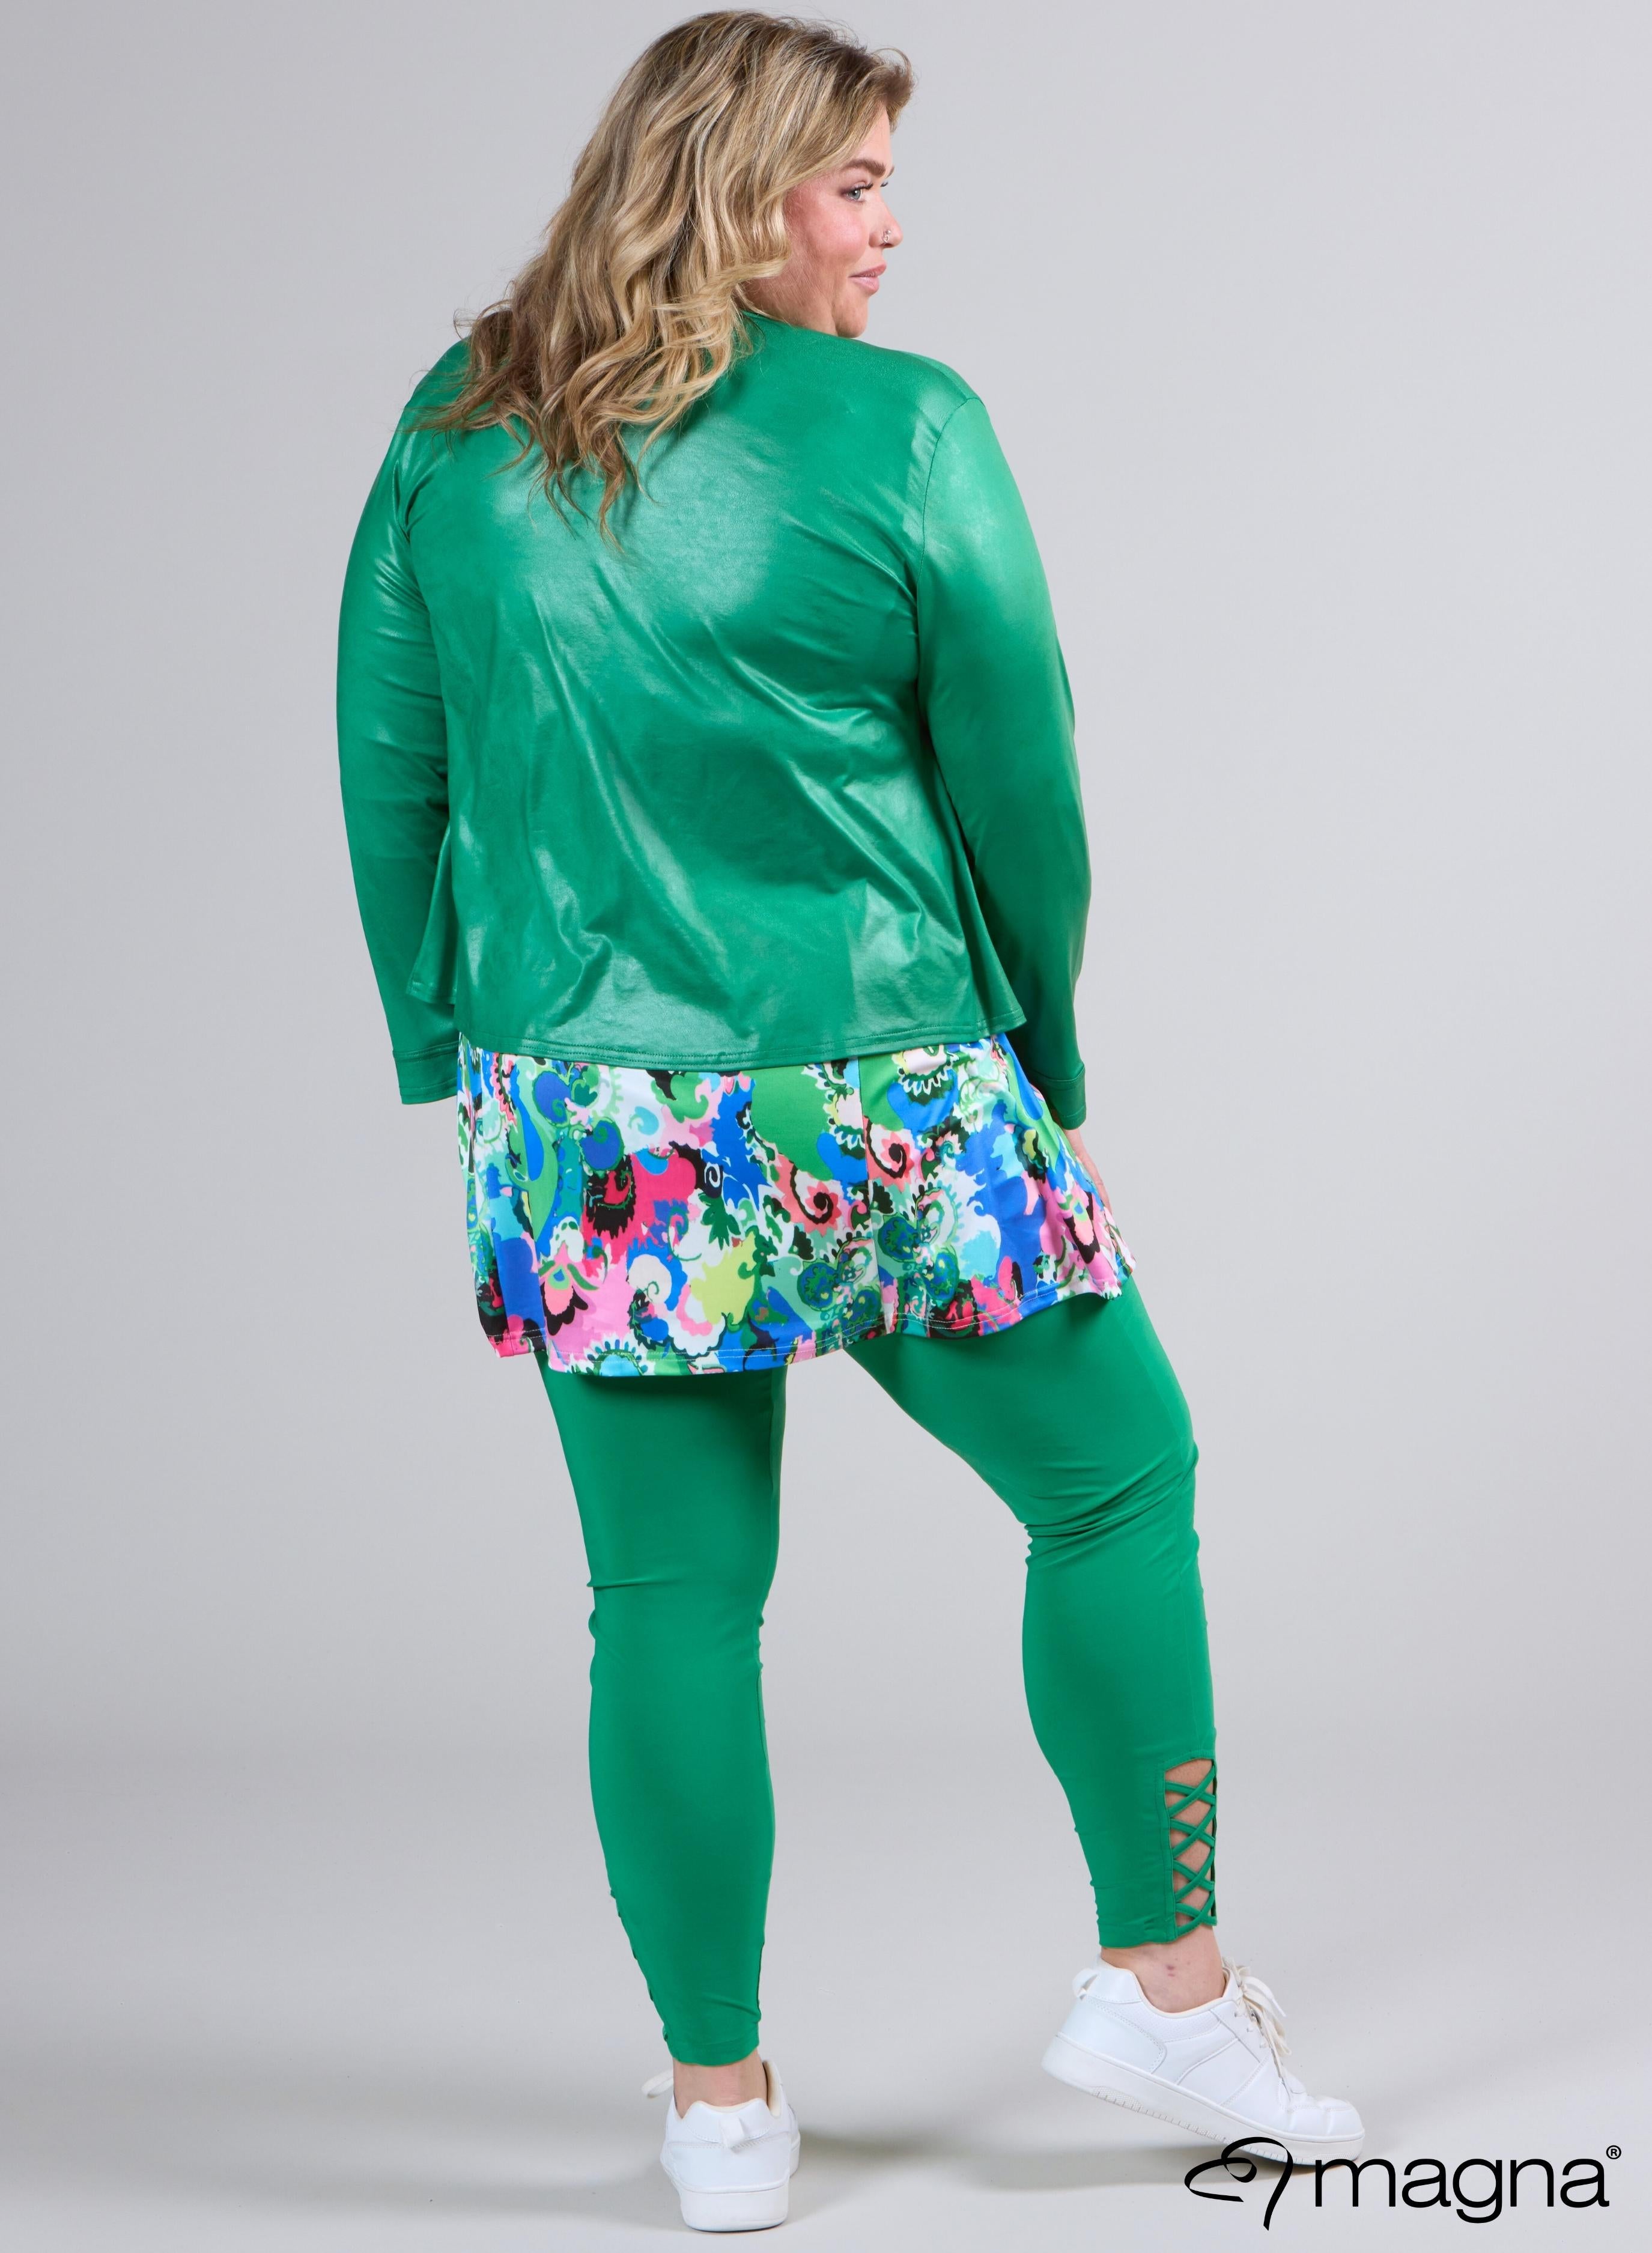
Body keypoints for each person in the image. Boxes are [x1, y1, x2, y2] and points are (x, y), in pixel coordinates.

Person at [338, 10, 1362, 2233]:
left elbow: (391, 758)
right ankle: (1169, 1990)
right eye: (857, 184)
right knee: (1120, 1481)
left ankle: (720, 2111)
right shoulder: (908, 429)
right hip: (880, 1082)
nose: (890, 229)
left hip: (582, 1109)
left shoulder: (455, 423)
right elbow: (1024, 780)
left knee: (671, 1599)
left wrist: (453, 1049)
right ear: (740, 192)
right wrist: (1045, 1059)